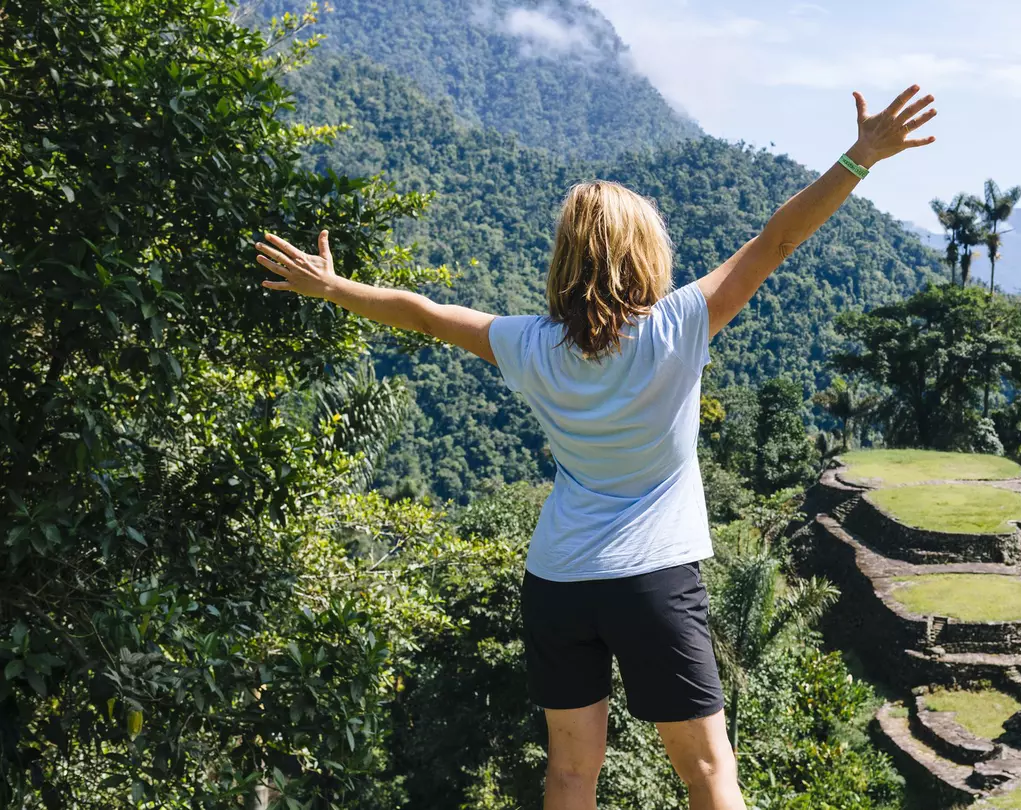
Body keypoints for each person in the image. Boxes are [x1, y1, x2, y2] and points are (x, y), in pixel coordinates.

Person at [254, 84, 937, 810]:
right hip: (652, 579)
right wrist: (860, 157)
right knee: (707, 771)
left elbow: (425, 316)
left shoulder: (529, 345)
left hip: (557, 582)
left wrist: (334, 288)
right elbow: (777, 239)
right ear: (647, 253)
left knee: (572, 773)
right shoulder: (681, 326)